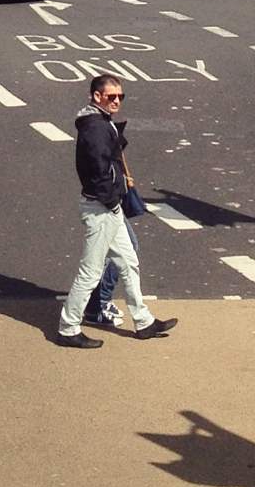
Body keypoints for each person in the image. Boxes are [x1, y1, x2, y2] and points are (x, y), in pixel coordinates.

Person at [57, 75, 176, 347]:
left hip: (107, 207)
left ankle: (143, 321)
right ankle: (68, 327)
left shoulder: (100, 122)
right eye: (111, 96)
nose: (117, 101)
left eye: (120, 96)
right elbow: (99, 171)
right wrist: (112, 202)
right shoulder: (96, 128)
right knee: (90, 271)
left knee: (129, 260)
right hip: (101, 209)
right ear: (96, 96)